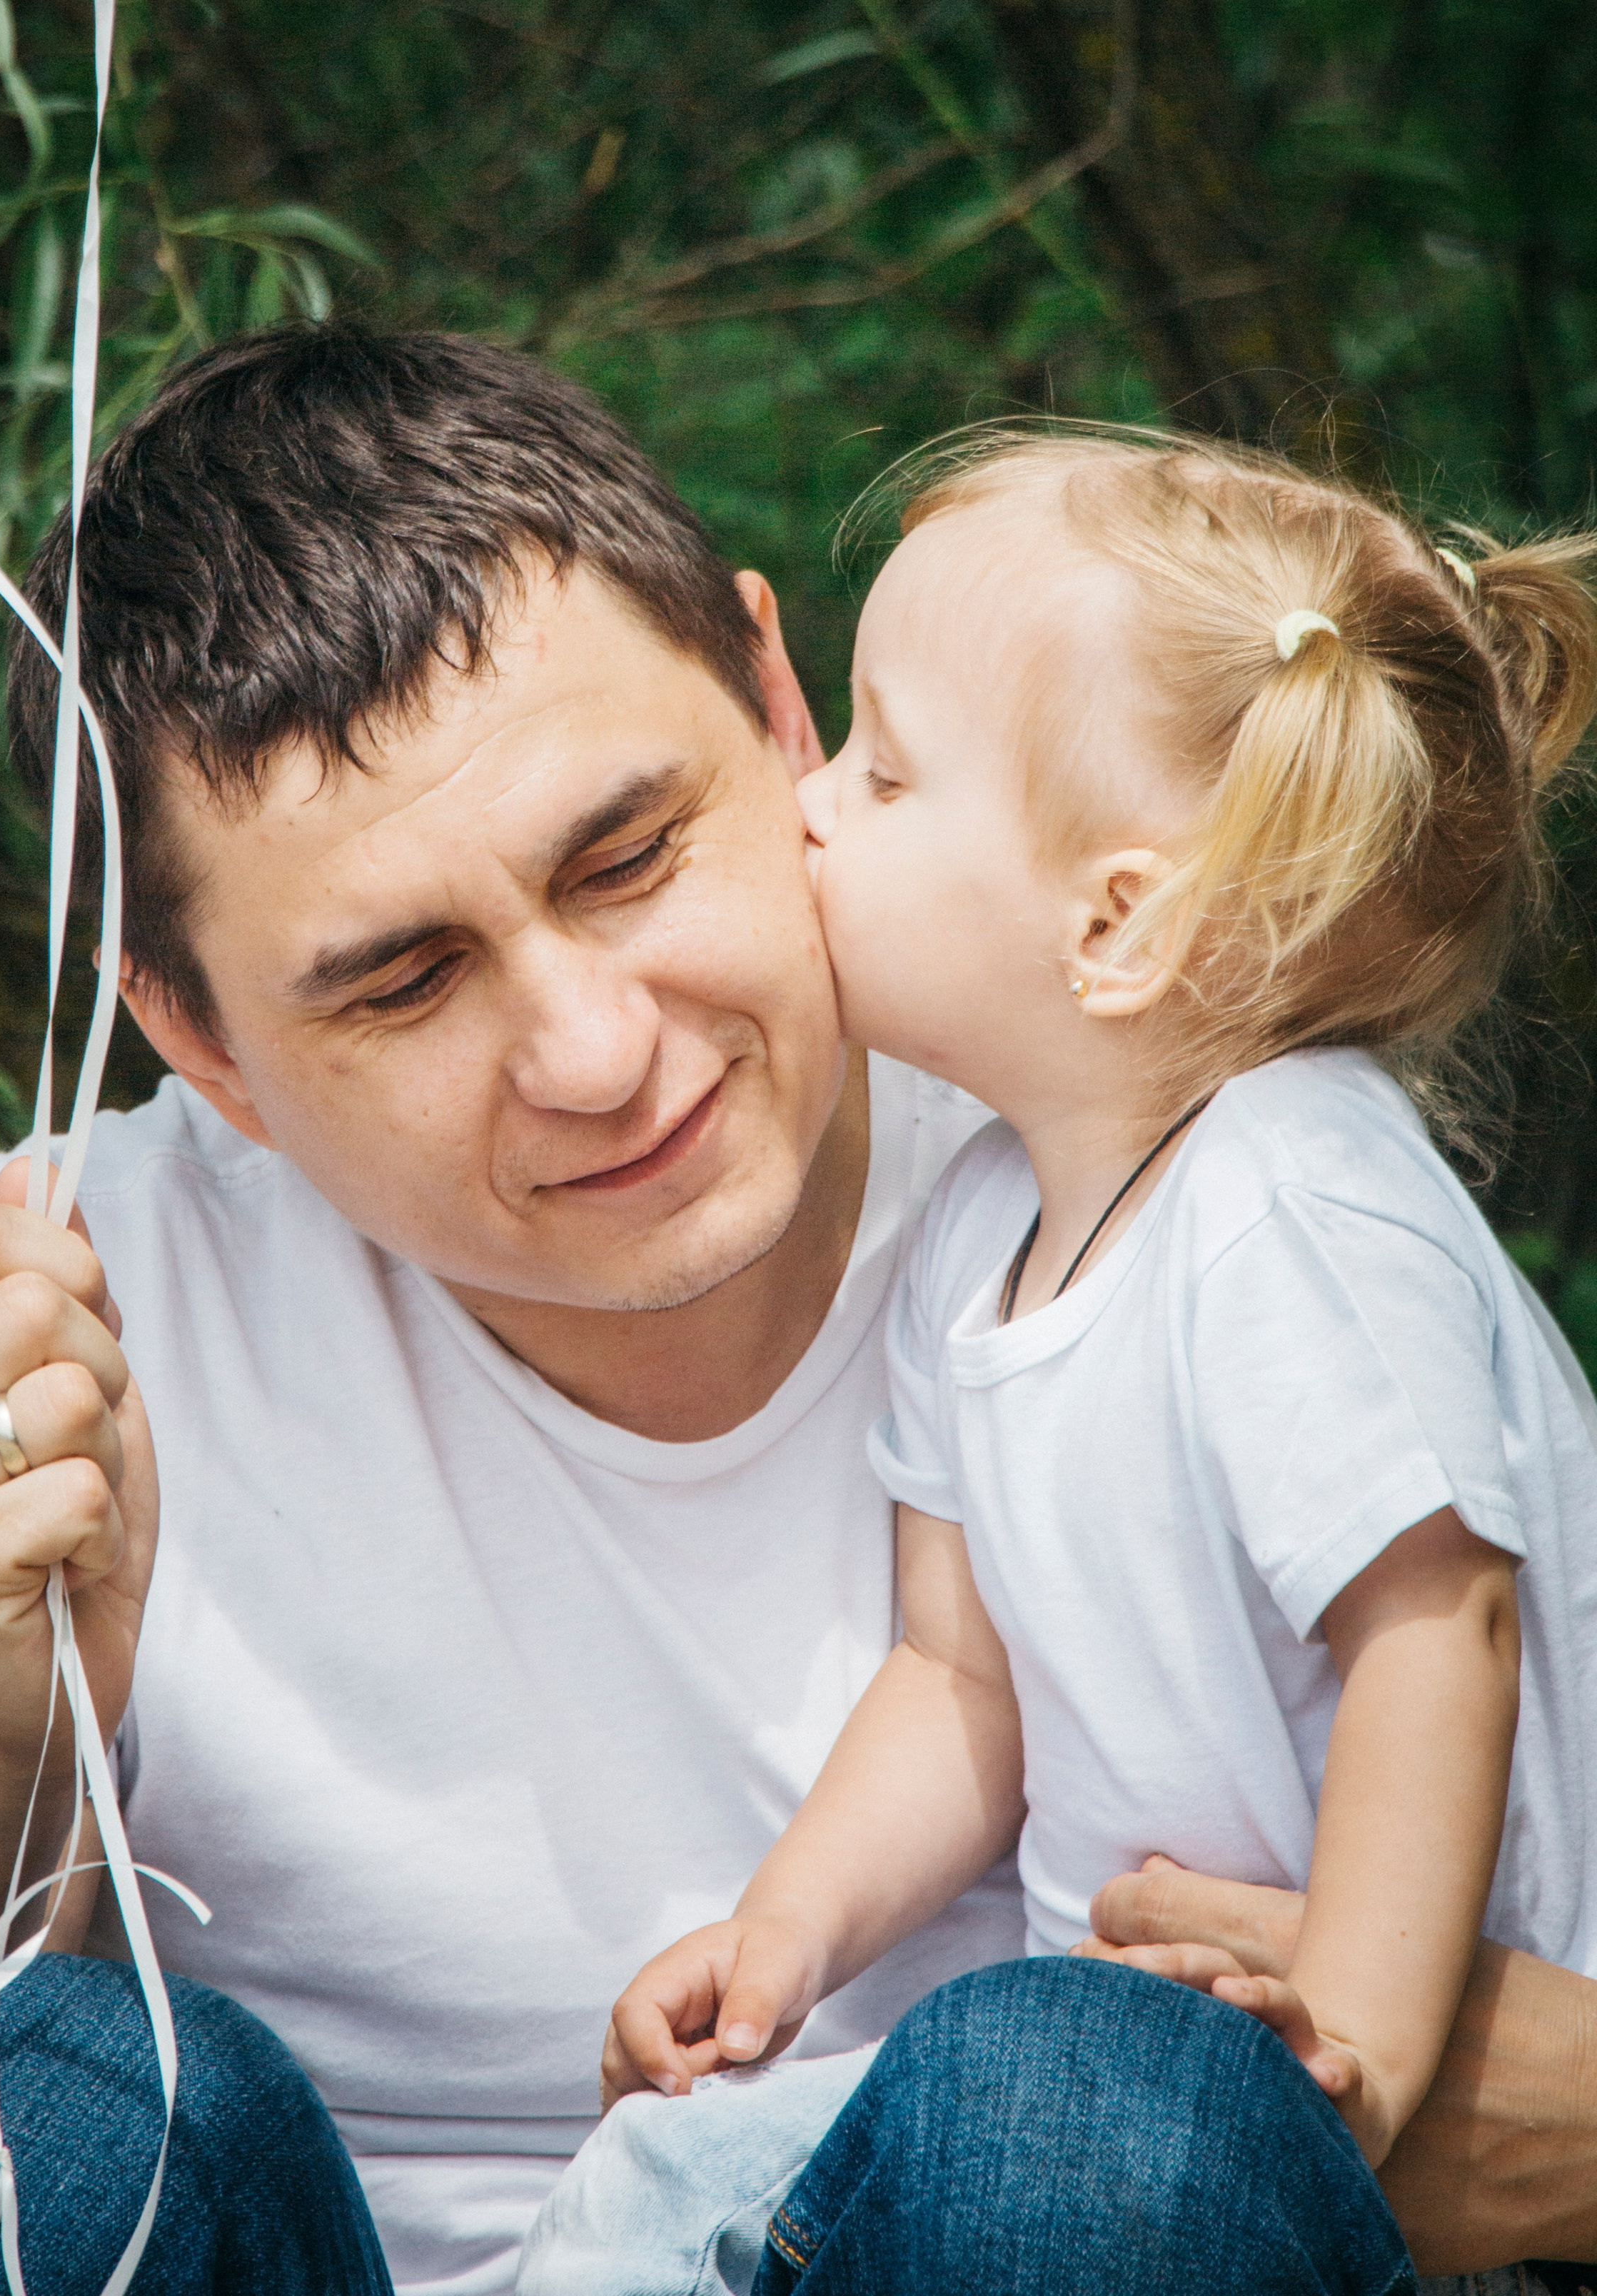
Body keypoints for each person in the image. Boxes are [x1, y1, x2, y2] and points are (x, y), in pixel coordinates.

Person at [0, 334, 1588, 2296]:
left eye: (629, 856)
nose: (594, 1050)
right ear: (197, 1041)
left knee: (1093, 2105)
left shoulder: (1180, 1167)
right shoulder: (30, 1332)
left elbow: (1454, 1691)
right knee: (13, 2101)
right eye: (402, 984)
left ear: (779, 703)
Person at [572, 425, 1597, 2290]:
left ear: (1114, 925)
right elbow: (961, 1676)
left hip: (1305, 2112)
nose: (805, 807)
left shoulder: (1293, 1203)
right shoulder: (984, 1228)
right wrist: (787, 1934)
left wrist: (1351, 2066)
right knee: (644, 2196)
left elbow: (1439, 1634)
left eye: (883, 773)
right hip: (1099, 2091)